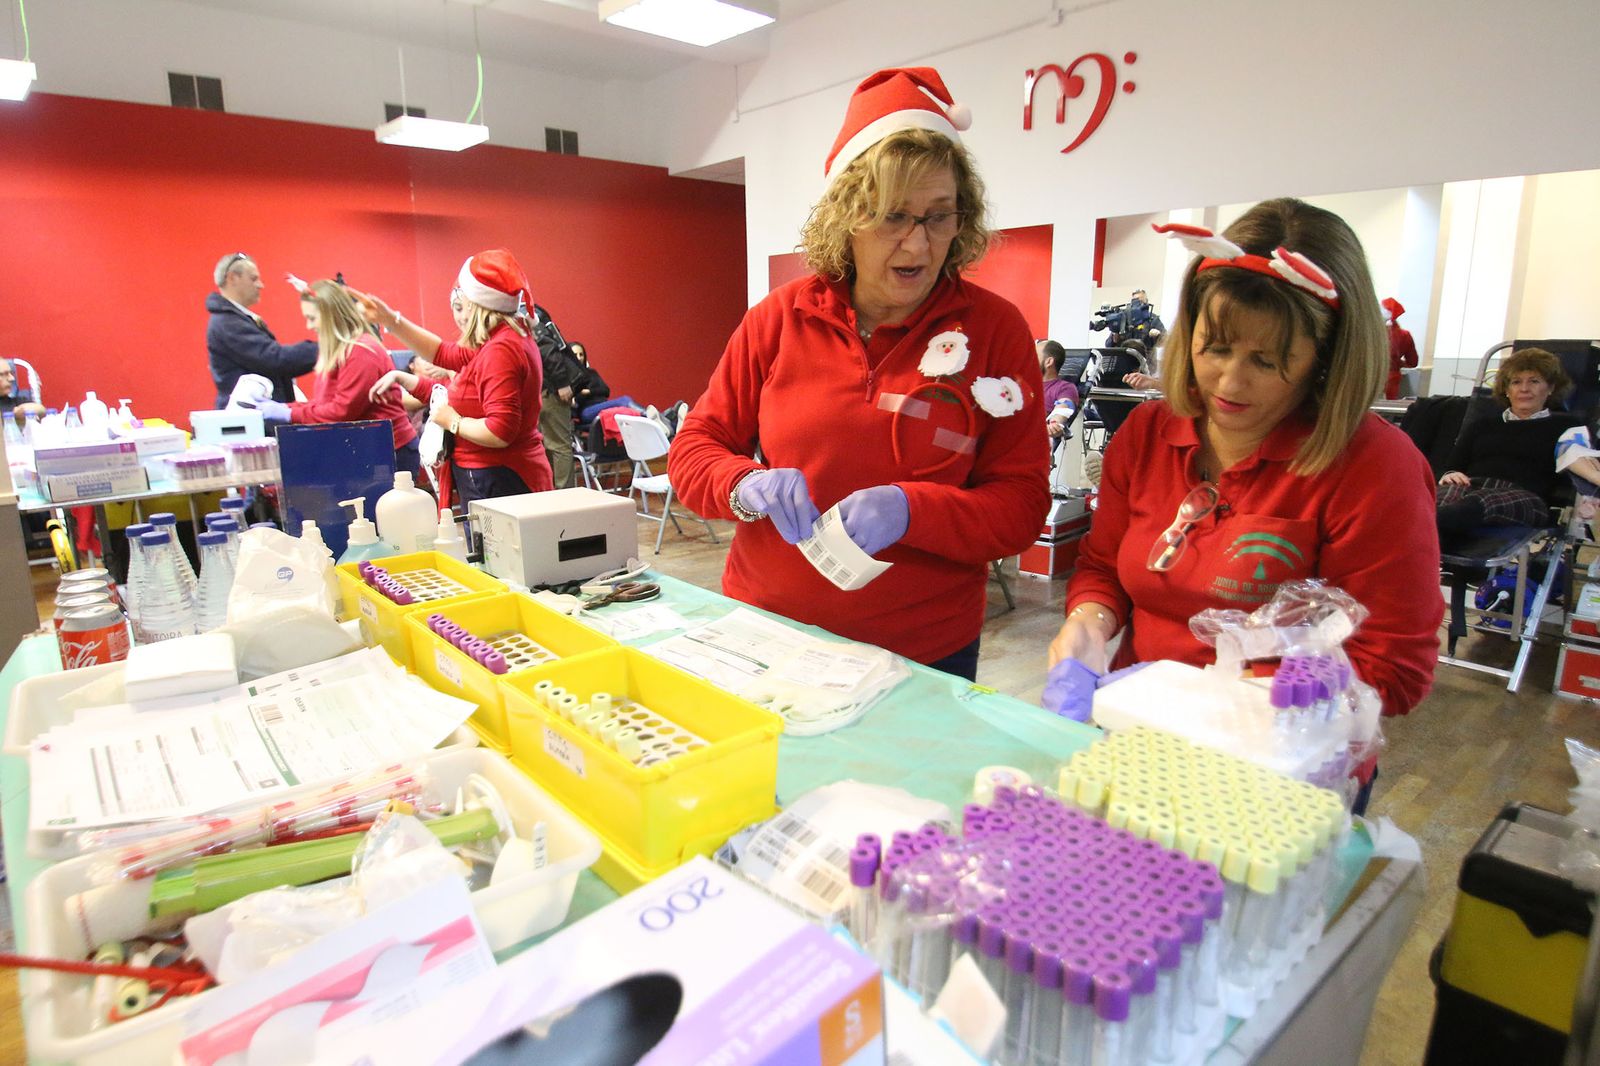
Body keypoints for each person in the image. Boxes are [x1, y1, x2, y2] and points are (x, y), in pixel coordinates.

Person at [1046, 199, 1443, 814]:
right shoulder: (1147, 435)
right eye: (1215, 348)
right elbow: (1104, 568)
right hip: (1135, 736)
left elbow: (1394, 667)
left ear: (1326, 357)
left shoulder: (1374, 468)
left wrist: (1204, 699)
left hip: (1281, 769)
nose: (1230, 383)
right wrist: (1089, 626)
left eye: (1266, 361)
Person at [669, 67, 1050, 680]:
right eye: (894, 217)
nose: (919, 245)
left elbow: (1022, 506)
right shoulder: (779, 319)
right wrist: (744, 484)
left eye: (939, 216)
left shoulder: (995, 331)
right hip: (770, 630)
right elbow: (695, 447)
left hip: (922, 653)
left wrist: (913, 510)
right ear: (846, 216)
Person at [358, 249, 554, 508]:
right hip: (494, 475)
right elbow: (442, 353)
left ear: (476, 301)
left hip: (499, 477)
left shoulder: (501, 348)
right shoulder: (497, 339)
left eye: (463, 300)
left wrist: (453, 421)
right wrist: (391, 320)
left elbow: (500, 432)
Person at [251, 280, 420, 476]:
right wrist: (285, 408)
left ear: (331, 316)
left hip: (388, 453)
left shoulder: (361, 351)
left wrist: (289, 413)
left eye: (312, 318)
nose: (309, 325)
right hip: (366, 450)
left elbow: (341, 412)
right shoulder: (344, 351)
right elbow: (325, 404)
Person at [1435, 347, 1579, 541]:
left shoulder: (1567, 427)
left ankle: (1421, 526)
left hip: (1527, 496)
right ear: (1506, 389)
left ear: (1551, 388)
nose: (1524, 389)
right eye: (1516, 382)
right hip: (1471, 485)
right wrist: (1451, 474)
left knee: (1482, 502)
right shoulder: (1481, 425)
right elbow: (1452, 465)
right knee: (1439, 498)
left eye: (1534, 381)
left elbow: (1580, 471)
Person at [205, 252, 318, 408]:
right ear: (232, 278)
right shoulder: (228, 323)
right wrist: (326, 349)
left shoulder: (233, 319)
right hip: (247, 418)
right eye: (253, 279)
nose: (260, 285)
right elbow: (274, 359)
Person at [1092, 289, 1166, 349]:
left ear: (1146, 302)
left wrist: (1158, 336)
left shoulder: (1152, 319)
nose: (1137, 305)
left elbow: (1166, 342)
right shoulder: (1123, 319)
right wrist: (1114, 339)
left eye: (1140, 302)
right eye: (1135, 302)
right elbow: (1108, 345)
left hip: (1146, 359)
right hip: (1125, 359)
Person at [1038, 340, 1080, 441]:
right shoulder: (1023, 384)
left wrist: (1055, 423)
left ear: (1048, 362)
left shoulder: (1064, 388)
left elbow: (1063, 408)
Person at [1382, 297, 1419, 400]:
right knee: (1389, 407)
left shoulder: (1373, 333)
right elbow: (1413, 362)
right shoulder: (1405, 335)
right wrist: (1397, 363)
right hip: (1392, 380)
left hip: (1370, 378)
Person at [569, 343, 611, 413]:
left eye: (581, 354)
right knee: (624, 401)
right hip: (587, 410)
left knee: (622, 410)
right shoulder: (567, 377)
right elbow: (576, 401)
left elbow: (606, 391)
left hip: (602, 404)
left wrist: (589, 391)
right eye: (575, 355)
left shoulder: (592, 372)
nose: (579, 358)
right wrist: (582, 394)